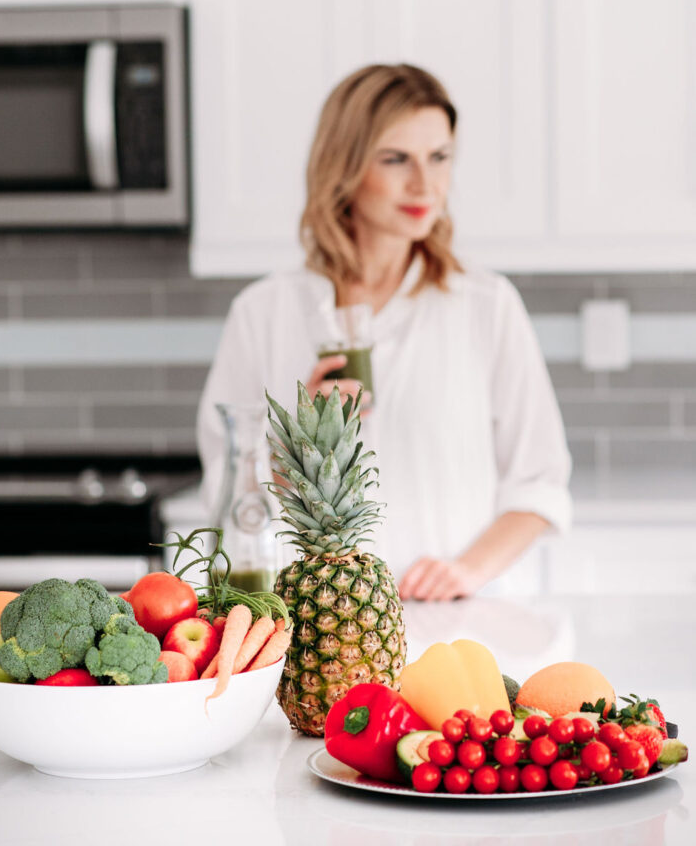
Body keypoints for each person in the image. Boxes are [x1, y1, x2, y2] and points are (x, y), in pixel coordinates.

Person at [197, 63, 571, 599]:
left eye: (439, 158)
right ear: (344, 167)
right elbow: (231, 491)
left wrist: (467, 570)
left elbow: (540, 483)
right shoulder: (263, 313)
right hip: (317, 634)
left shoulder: (485, 306)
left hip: (455, 629)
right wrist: (296, 447)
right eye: (396, 159)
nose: (426, 184)